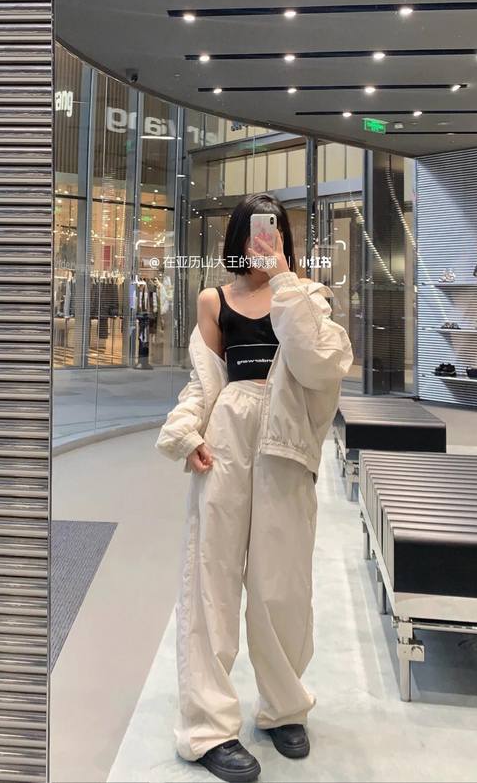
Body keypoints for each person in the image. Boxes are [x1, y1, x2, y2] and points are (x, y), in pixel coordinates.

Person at [155, 193, 353, 783]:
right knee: (210, 579)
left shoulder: (308, 296)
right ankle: (208, 728)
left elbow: (319, 365)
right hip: (227, 440)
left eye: (273, 230)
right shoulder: (213, 299)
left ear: (284, 238)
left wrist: (285, 281)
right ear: (238, 238)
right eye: (253, 231)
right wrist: (187, 431)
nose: (263, 240)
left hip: (286, 445)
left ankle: (284, 707)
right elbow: (205, 380)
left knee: (282, 582)